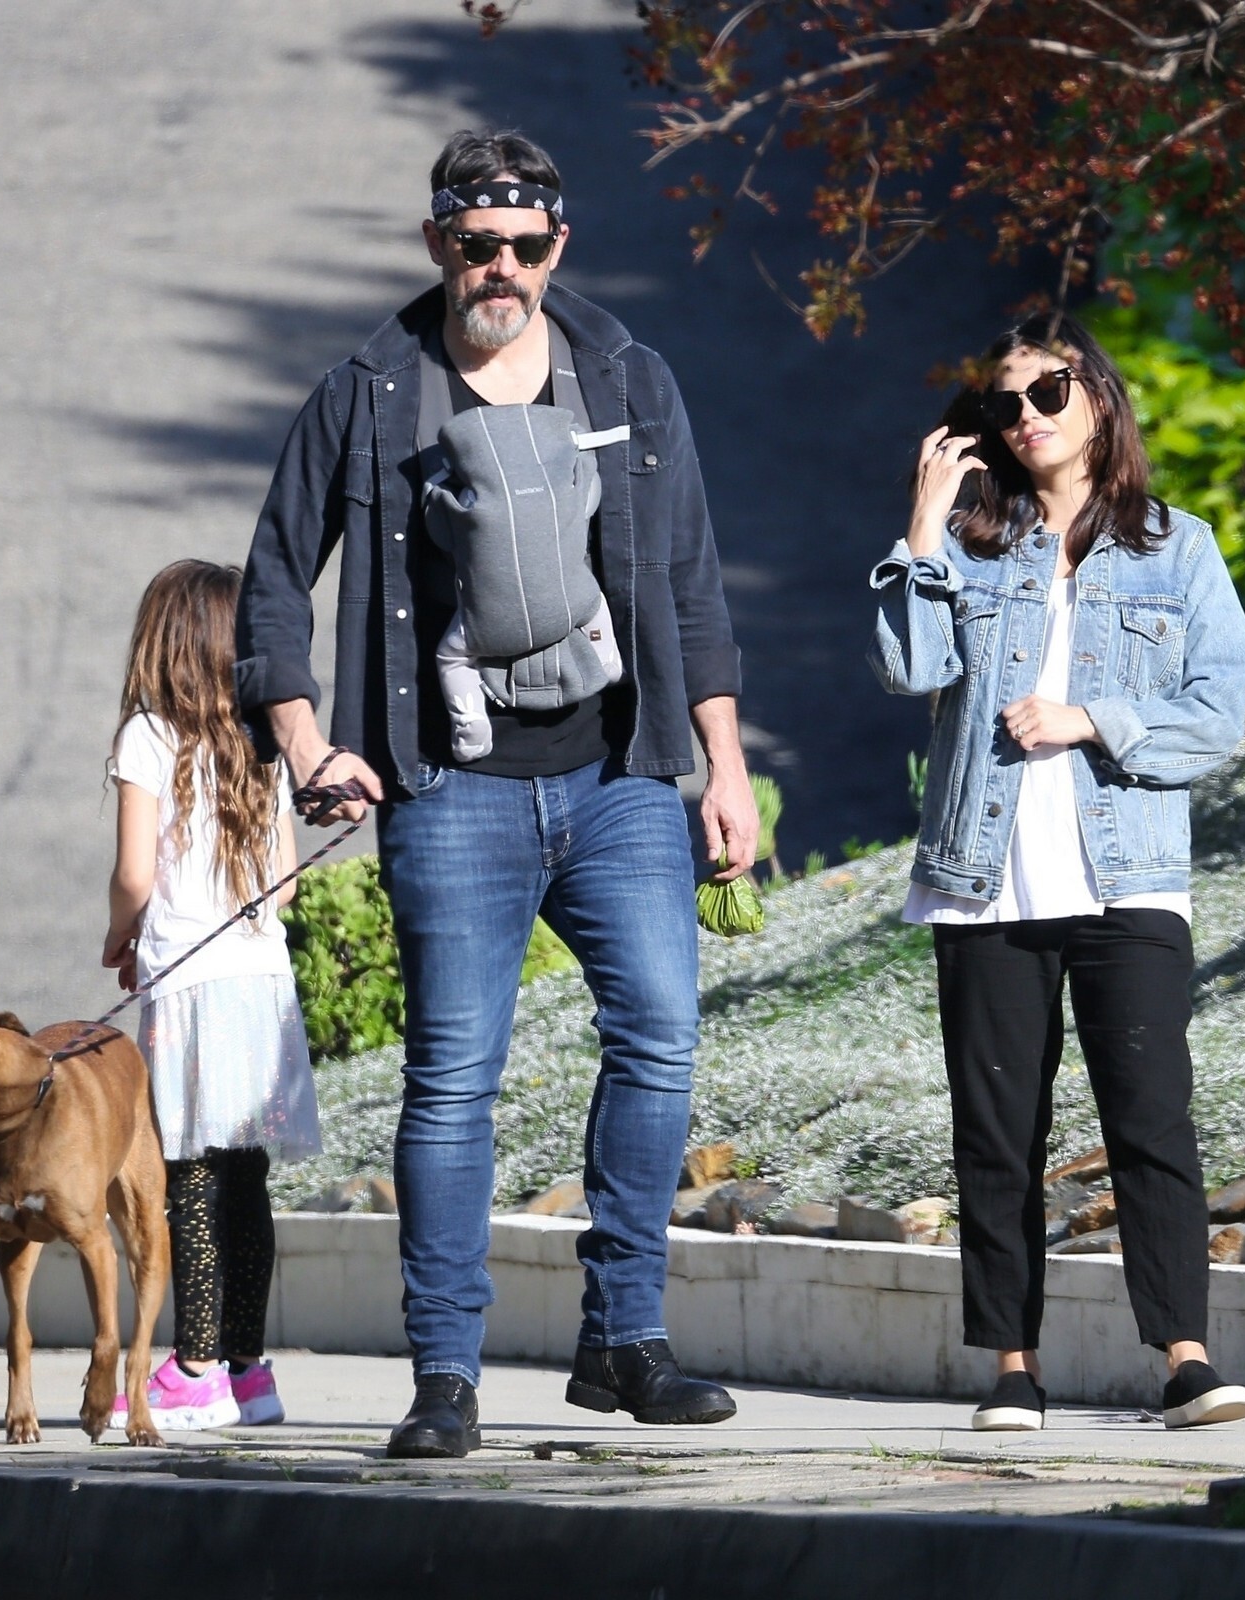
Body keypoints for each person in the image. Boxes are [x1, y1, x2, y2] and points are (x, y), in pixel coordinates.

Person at [236, 128, 758, 1459]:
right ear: (437, 244)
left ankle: (624, 1339)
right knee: (452, 1082)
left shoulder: (625, 376)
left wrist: (724, 764)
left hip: (620, 774)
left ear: (556, 245)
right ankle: (445, 1376)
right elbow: (275, 577)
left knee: (658, 1037)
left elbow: (690, 580)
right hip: (450, 790)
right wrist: (307, 746)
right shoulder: (370, 393)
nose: (502, 270)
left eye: (526, 246)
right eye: (477, 246)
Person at [868, 311, 1245, 1433]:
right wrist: (923, 528)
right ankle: (1011, 1367)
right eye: (1005, 402)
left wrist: (1093, 717)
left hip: (1126, 874)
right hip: (982, 879)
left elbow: (1218, 708)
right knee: (997, 1135)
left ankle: (1185, 1360)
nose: (1025, 416)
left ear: (1096, 399)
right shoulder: (971, 545)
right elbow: (908, 669)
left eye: (1047, 392)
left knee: (1151, 1119)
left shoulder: (1176, 547)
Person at [103, 558, 323, 1432]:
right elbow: (286, 883)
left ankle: (193, 1371)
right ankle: (248, 1371)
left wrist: (120, 936)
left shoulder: (147, 736)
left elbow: (134, 874)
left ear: (160, 642)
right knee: (246, 1178)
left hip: (189, 985)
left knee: (189, 1176)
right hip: (261, 984)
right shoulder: (263, 737)